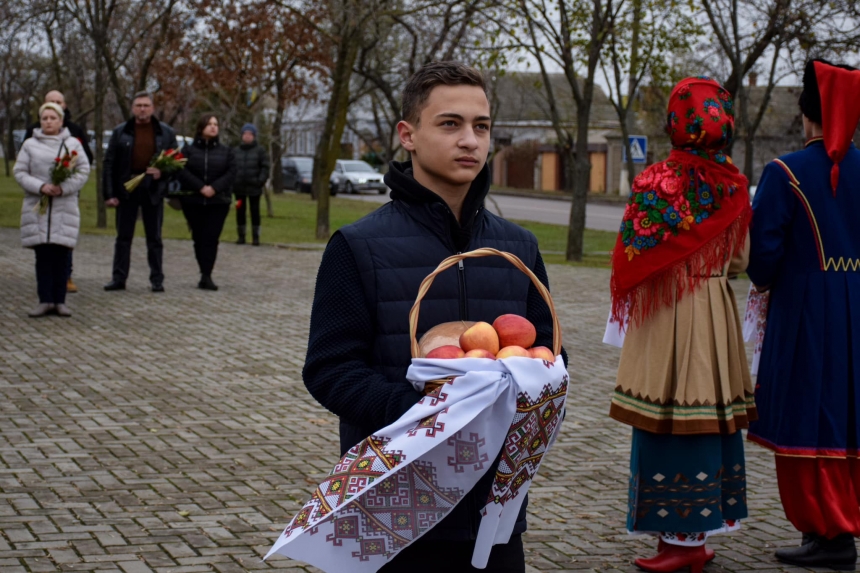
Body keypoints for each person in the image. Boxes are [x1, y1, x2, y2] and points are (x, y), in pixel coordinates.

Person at [301, 61, 565, 573]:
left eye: (481, 126)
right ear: (408, 136)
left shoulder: (519, 247)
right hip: (394, 507)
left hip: (494, 513)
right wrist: (428, 413)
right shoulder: (357, 246)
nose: (470, 139)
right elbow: (329, 369)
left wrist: (532, 391)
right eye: (450, 124)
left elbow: (550, 355)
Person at [608, 77, 755, 573]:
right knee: (705, 417)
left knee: (665, 417)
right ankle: (695, 538)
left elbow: (632, 253)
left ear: (676, 121)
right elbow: (740, 260)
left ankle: (680, 546)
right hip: (712, 307)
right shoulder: (733, 185)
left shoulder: (654, 179)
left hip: (665, 310)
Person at [746, 59, 860, 570]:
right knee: (848, 411)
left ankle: (829, 531)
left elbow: (763, 257)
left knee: (806, 410)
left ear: (806, 112)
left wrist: (770, 282)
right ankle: (836, 528)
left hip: (807, 310)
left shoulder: (785, 171)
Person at [15, 102, 90, 317]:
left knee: (62, 255)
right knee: (43, 256)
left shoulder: (72, 144)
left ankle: (60, 301)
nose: (48, 122)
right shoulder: (29, 145)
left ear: (61, 121)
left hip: (64, 207)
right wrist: (41, 187)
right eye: (45, 118)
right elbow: (20, 172)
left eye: (52, 118)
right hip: (38, 207)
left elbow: (83, 171)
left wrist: (63, 187)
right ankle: (45, 299)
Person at [103, 91, 178, 293]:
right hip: (127, 188)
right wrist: (109, 193)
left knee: (154, 238)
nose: (142, 109)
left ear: (152, 108)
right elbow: (109, 163)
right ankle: (118, 278)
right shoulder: (121, 132)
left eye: (146, 105)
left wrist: (161, 172)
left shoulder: (165, 132)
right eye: (138, 105)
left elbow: (177, 163)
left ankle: (157, 279)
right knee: (123, 237)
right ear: (133, 108)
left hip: (153, 190)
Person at [176, 114, 236, 291]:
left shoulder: (226, 152)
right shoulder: (188, 150)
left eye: (215, 124)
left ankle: (207, 274)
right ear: (200, 127)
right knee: (198, 237)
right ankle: (202, 271)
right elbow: (181, 170)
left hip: (218, 202)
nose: (213, 127)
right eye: (209, 124)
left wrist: (214, 188)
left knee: (211, 238)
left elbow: (232, 173)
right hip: (193, 200)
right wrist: (201, 187)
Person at [232, 123, 269, 245]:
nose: (247, 136)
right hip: (239, 187)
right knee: (240, 211)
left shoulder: (260, 151)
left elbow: (265, 167)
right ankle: (241, 236)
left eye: (250, 134)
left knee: (255, 212)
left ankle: (256, 237)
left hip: (254, 187)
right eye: (245, 134)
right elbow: (231, 167)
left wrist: (260, 181)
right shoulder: (236, 151)